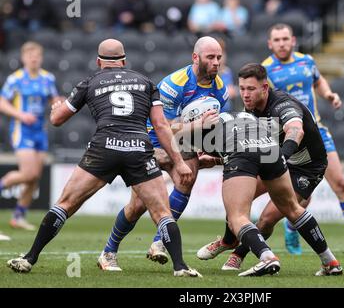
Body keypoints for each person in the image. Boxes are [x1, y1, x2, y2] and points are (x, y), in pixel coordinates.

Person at [7, 39, 201, 278]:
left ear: (99, 62)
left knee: (65, 205)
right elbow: (161, 125)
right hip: (138, 149)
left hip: (103, 148)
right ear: (125, 61)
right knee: (162, 213)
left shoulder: (89, 82)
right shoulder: (146, 82)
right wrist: (179, 162)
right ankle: (180, 267)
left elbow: (57, 120)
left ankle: (29, 258)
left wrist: (55, 107)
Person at [197, 63, 343, 276]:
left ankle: (239, 253)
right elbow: (250, 148)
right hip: (274, 159)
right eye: (242, 88)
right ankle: (228, 241)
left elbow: (295, 131)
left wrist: (279, 159)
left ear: (265, 88)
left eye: (251, 89)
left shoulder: (283, 105)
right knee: (237, 201)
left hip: (306, 167)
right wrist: (216, 160)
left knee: (270, 217)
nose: (245, 94)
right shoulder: (251, 108)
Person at [97, 36, 228, 271]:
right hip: (152, 140)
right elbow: (165, 127)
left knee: (187, 177)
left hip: (184, 140)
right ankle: (108, 251)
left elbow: (213, 125)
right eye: (211, 57)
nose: (216, 62)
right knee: (137, 206)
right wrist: (197, 126)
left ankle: (159, 242)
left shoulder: (220, 87)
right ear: (195, 58)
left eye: (219, 57)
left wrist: (203, 149)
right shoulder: (174, 83)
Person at [261, 23, 344, 256]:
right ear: (270, 44)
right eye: (276, 40)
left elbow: (317, 81)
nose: (281, 43)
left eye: (285, 39)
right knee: (300, 196)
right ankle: (289, 228)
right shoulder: (265, 70)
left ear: (293, 40)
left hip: (317, 133)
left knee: (341, 184)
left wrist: (328, 94)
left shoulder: (306, 61)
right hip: (287, 138)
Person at [0, 41, 62, 231]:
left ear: (41, 58)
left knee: (34, 178)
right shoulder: (15, 79)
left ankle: (18, 216)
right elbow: (2, 102)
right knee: (28, 173)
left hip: (39, 131)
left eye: (37, 56)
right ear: (23, 58)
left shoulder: (47, 78)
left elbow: (55, 99)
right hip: (22, 129)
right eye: (30, 56)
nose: (34, 59)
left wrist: (61, 104)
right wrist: (20, 115)